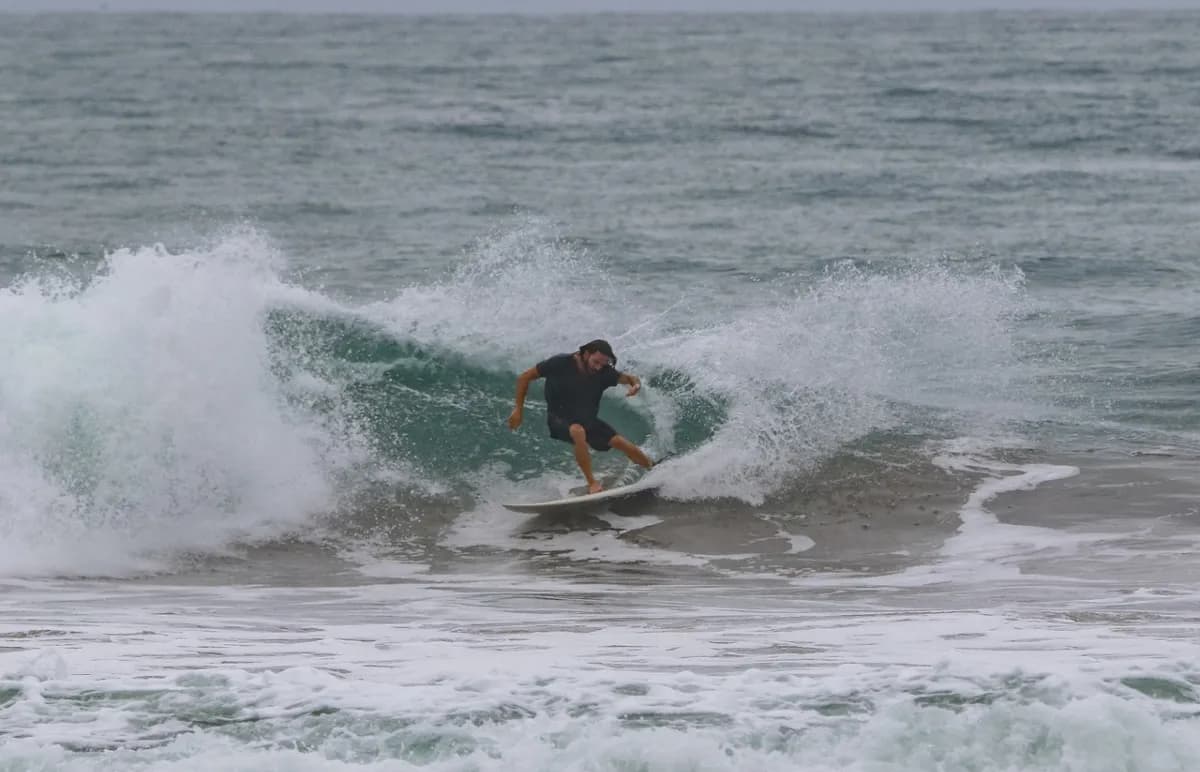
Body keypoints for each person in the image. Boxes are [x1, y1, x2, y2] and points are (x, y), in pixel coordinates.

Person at [507, 339, 654, 494]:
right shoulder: (560, 363)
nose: (598, 367)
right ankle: (592, 483)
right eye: (595, 362)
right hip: (559, 418)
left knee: (622, 443)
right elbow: (524, 377)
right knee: (578, 431)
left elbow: (631, 379)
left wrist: (636, 386)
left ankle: (652, 468)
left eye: (603, 364)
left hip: (588, 421)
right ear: (585, 353)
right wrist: (518, 409)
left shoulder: (603, 371)